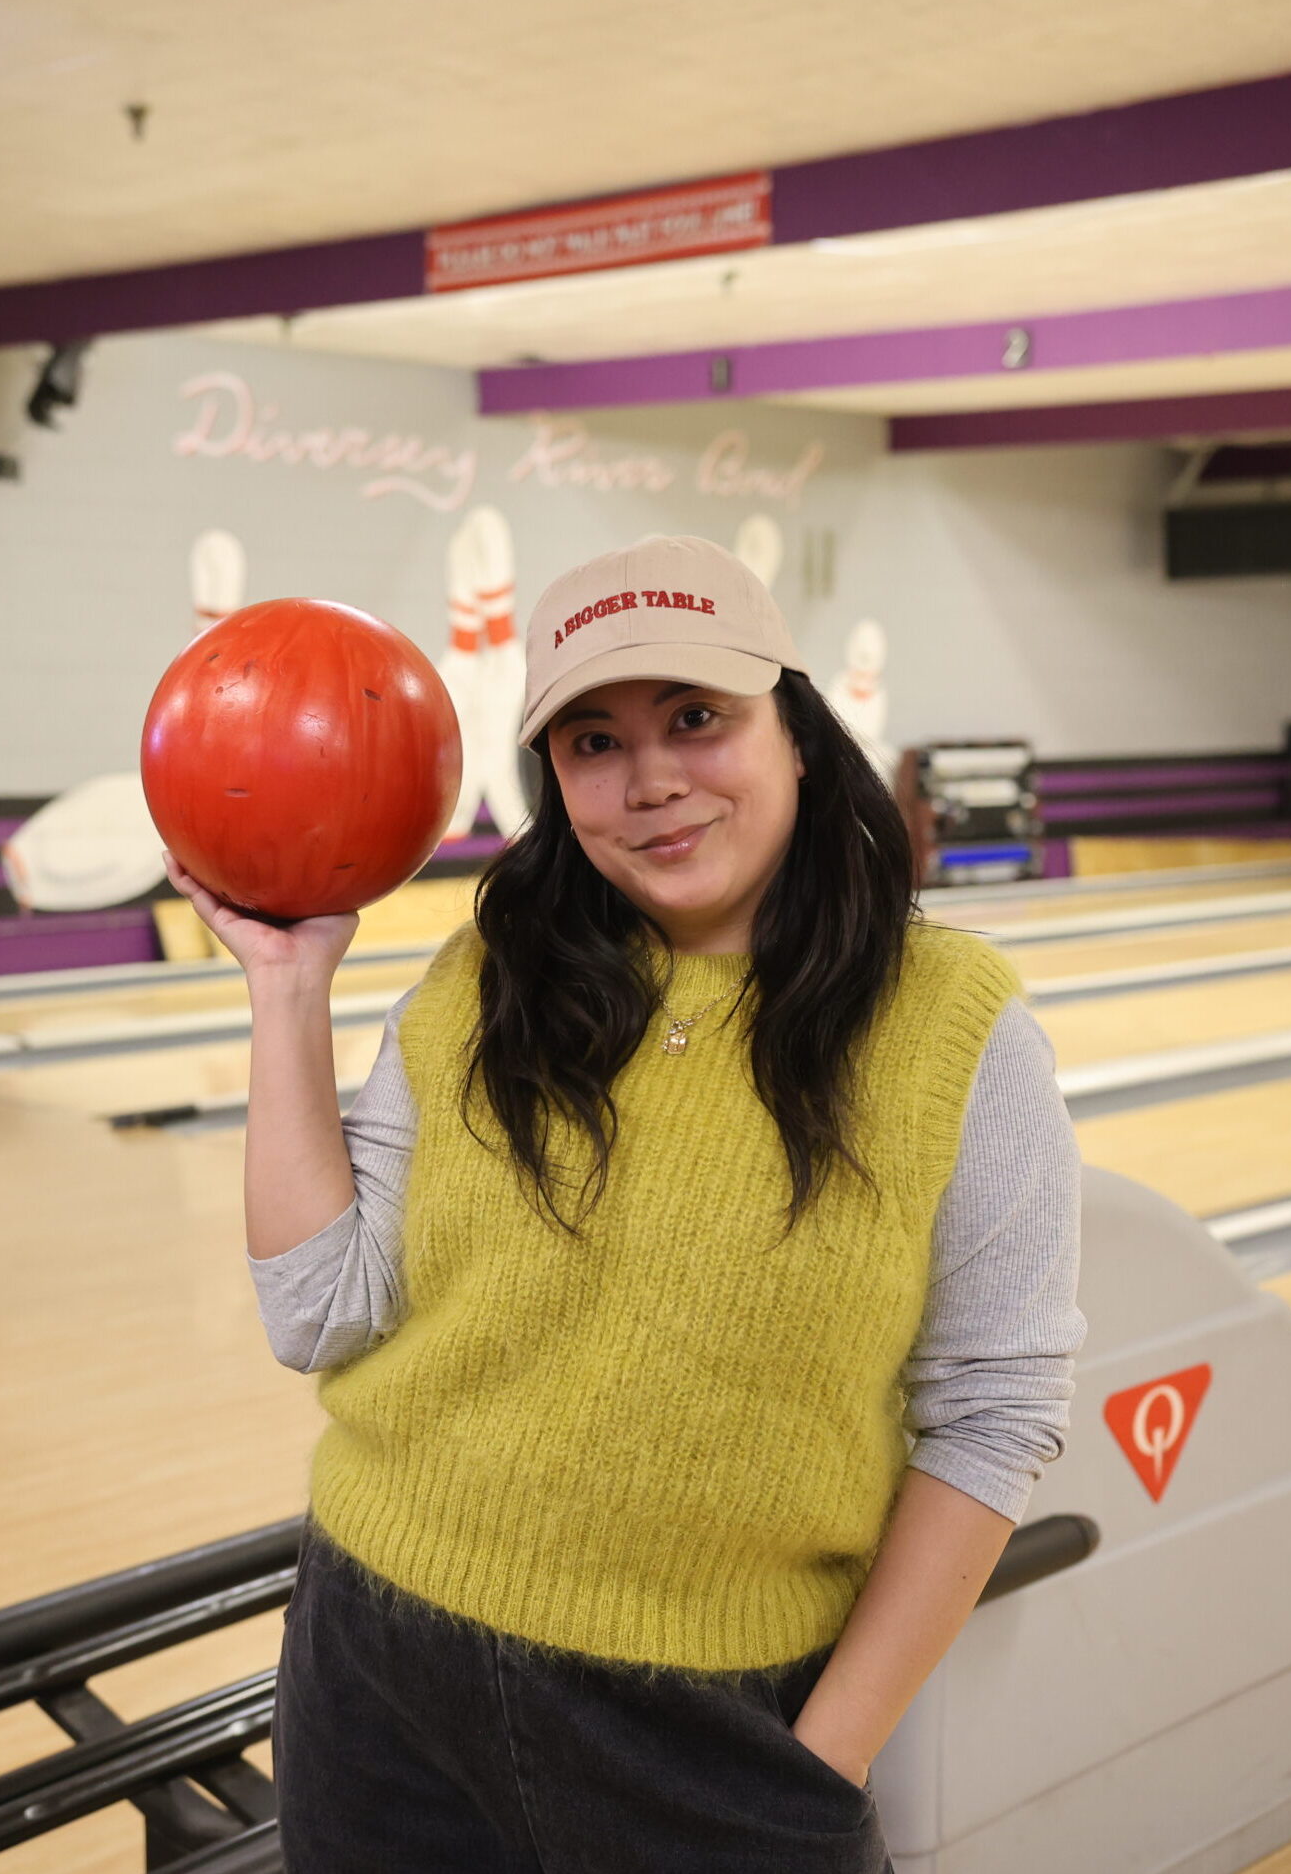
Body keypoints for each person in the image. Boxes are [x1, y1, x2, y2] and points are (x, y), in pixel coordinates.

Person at [163, 532, 1086, 1873]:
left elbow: (995, 1415)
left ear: (800, 736)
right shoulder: (488, 978)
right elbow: (320, 1314)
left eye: (698, 719)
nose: (652, 780)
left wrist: (823, 1757)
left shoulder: (956, 1029)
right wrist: (287, 989)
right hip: (380, 1673)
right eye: (594, 742)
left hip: (712, 1729)